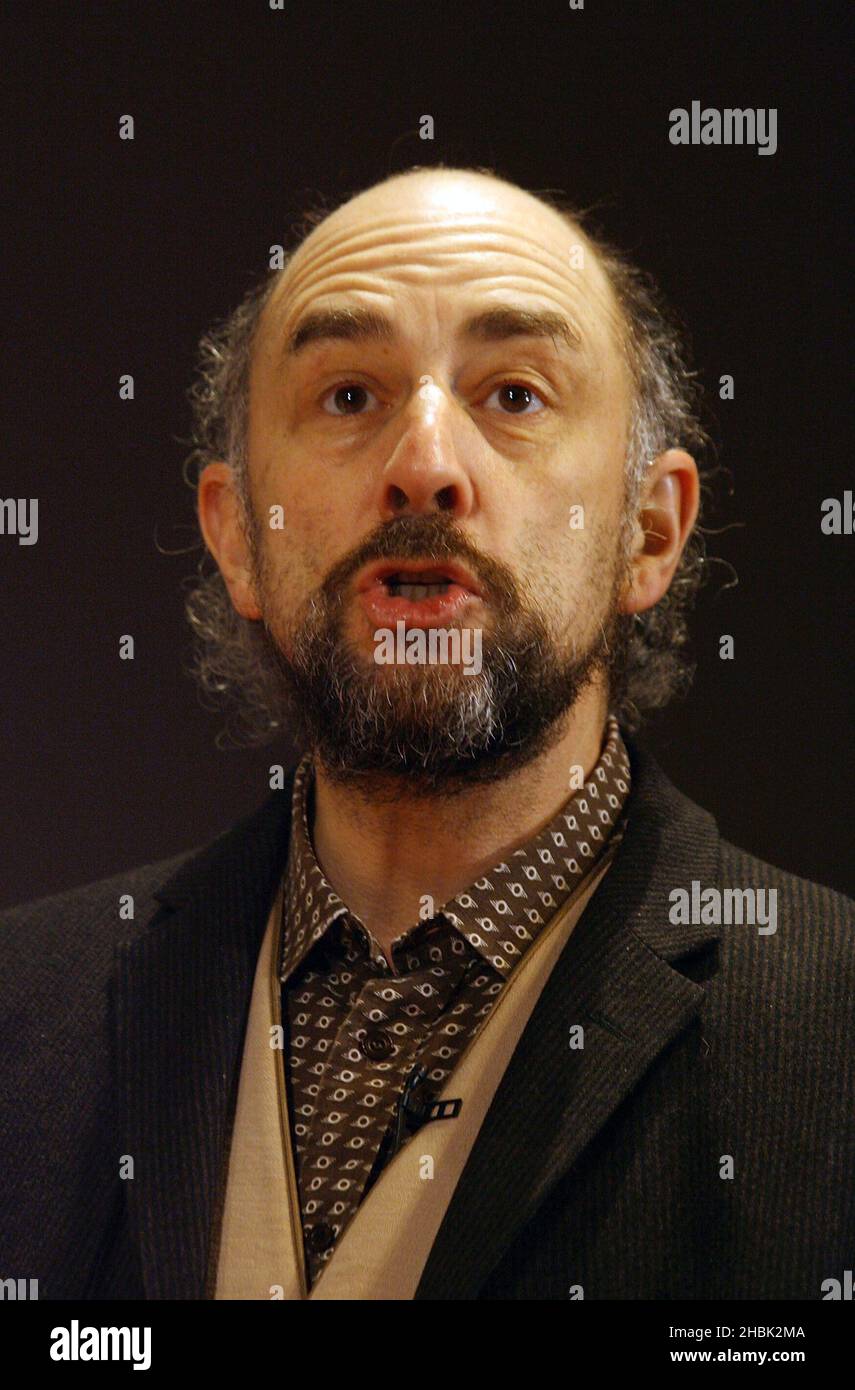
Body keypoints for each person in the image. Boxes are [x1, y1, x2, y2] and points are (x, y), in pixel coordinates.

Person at [1, 166, 851, 1301]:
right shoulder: (21, 1016)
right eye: (348, 396)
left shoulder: (832, 1035)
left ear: (651, 530)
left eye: (515, 396)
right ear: (239, 533)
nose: (425, 467)